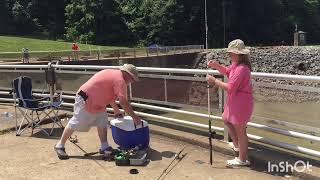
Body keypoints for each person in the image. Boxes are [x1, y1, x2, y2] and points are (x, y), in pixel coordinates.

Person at [54, 64, 142, 160]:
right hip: (86, 99)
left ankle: (105, 147)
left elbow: (108, 94)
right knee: (76, 122)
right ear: (127, 74)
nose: (132, 82)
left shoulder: (113, 73)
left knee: (102, 122)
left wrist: (116, 110)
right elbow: (123, 102)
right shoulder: (120, 80)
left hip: (97, 101)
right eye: (132, 79)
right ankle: (60, 145)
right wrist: (135, 117)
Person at [206, 39, 254, 167]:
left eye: (233, 53)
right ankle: (237, 145)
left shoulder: (242, 69)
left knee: (241, 131)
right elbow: (228, 71)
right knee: (226, 119)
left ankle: (242, 159)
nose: (230, 55)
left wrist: (214, 81)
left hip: (241, 103)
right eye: (230, 53)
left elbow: (230, 88)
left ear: (240, 54)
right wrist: (216, 66)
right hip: (235, 102)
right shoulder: (236, 65)